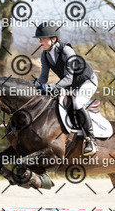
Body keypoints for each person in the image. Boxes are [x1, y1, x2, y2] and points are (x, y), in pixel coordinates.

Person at [33, 22, 99, 156]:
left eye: (43, 39)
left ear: (53, 39)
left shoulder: (67, 51)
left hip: (86, 81)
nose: (40, 42)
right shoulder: (45, 55)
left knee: (78, 102)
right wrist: (34, 84)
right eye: (39, 39)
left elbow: (68, 79)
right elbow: (43, 78)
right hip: (70, 84)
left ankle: (90, 140)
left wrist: (50, 87)